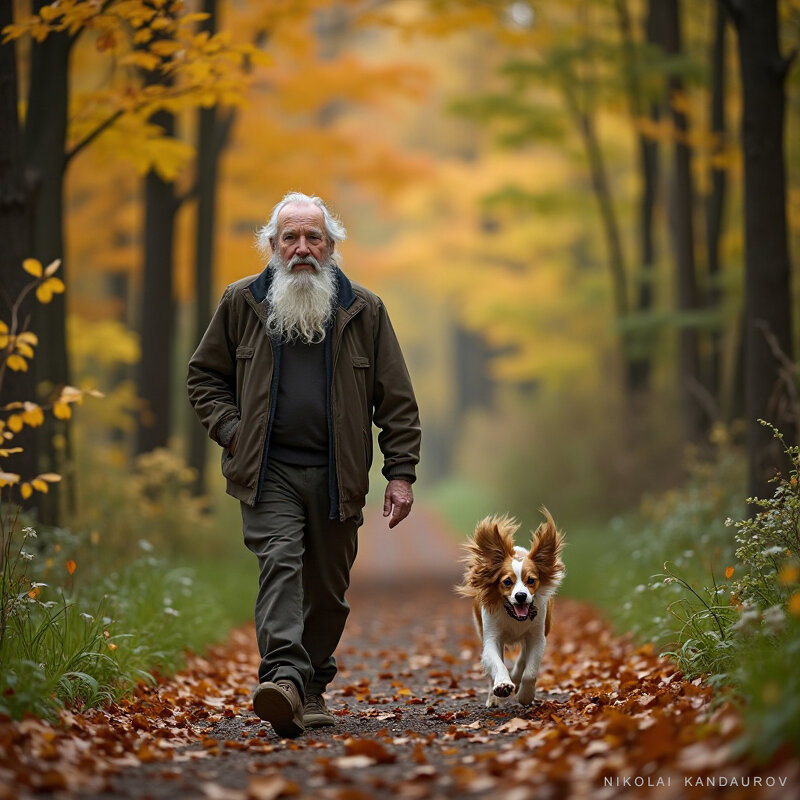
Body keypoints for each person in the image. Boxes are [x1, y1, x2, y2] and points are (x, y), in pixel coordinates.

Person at [187, 192, 421, 738]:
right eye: (289, 237)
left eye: (313, 237)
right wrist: (232, 430)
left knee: (327, 591)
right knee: (281, 567)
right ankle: (284, 679)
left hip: (339, 476)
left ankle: (309, 686)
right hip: (267, 472)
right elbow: (203, 378)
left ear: (331, 246)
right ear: (272, 245)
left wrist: (401, 472)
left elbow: (397, 400)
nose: (301, 248)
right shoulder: (242, 301)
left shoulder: (365, 310)